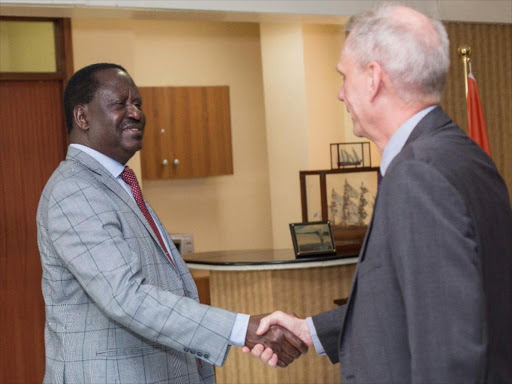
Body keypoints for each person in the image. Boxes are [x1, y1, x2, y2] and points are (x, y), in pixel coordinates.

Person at [246, 3, 512, 383]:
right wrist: (312, 330)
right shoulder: (462, 156)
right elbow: (426, 298)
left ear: (373, 78)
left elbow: (449, 349)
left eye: (343, 76)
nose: (340, 94)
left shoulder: (418, 176)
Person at [36, 63, 307, 384]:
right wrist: (242, 329)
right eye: (120, 104)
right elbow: (126, 297)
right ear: (83, 118)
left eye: (138, 103)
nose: (135, 113)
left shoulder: (116, 183)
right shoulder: (75, 190)